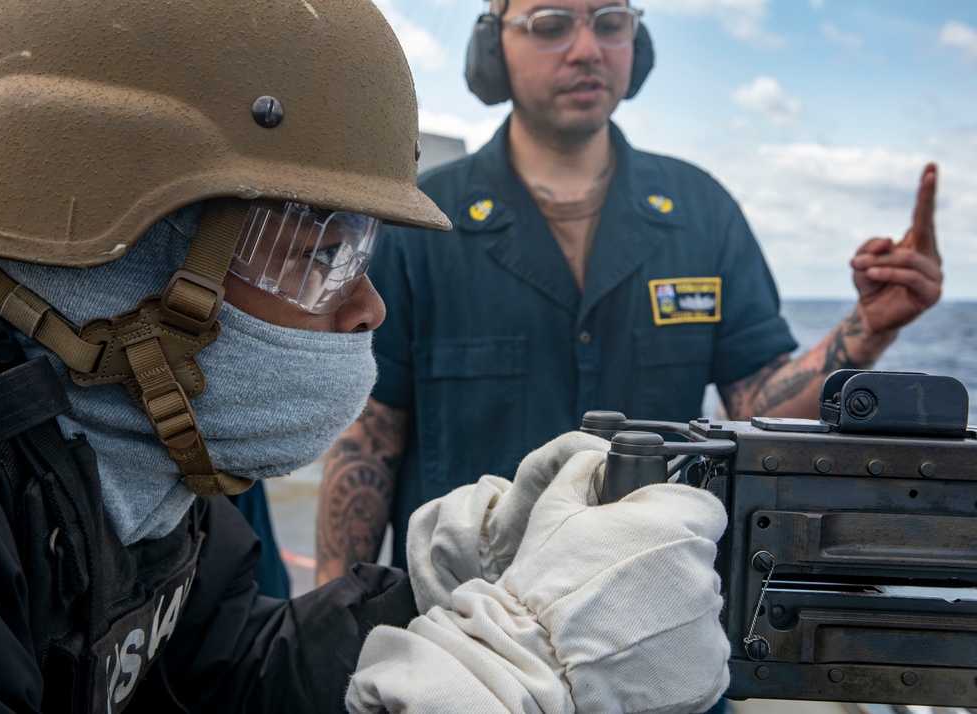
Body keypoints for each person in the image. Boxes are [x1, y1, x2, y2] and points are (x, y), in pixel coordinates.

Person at [0, 0, 733, 712]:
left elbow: (225, 669)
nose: (366, 306)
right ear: (108, 263)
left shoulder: (136, 477)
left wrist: (446, 600)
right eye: (314, 253)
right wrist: (497, 682)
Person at [315, 0, 943, 584]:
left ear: (635, 45)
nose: (587, 48)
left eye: (611, 21)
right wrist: (335, 622)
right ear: (490, 48)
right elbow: (369, 441)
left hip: (654, 620)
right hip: (465, 639)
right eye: (552, 23)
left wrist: (869, 326)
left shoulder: (703, 212)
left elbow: (756, 399)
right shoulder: (421, 221)